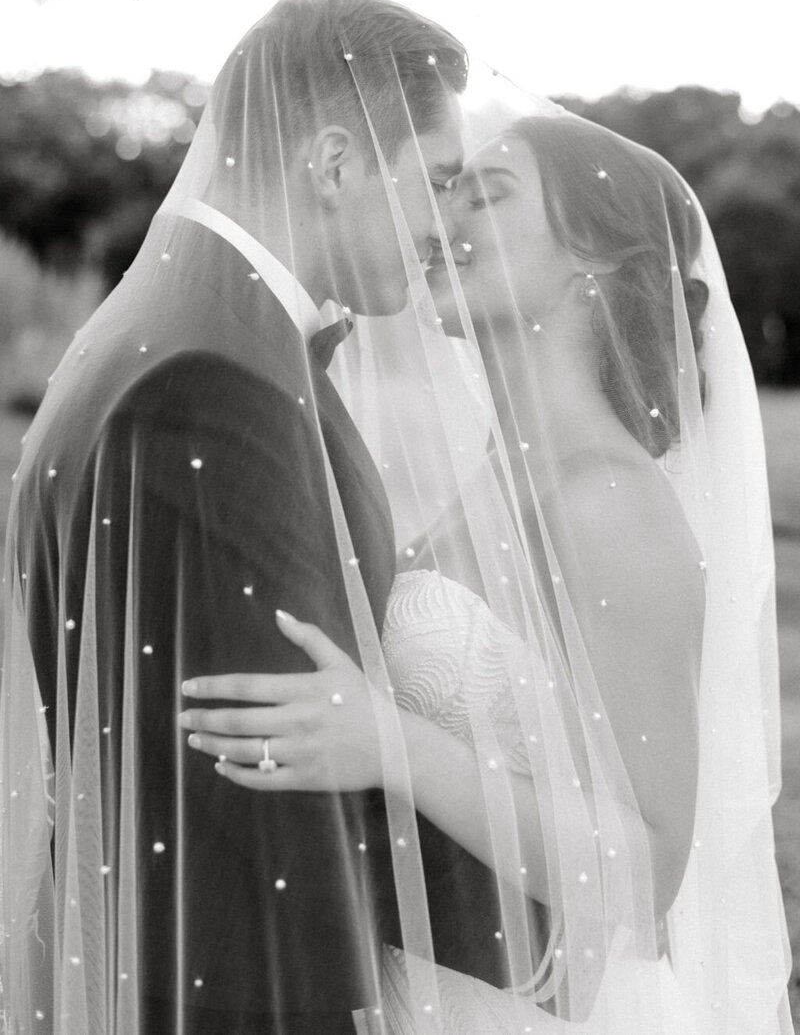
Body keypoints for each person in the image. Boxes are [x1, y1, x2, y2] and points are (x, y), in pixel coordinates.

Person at [179, 113, 793, 1032]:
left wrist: (391, 745)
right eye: (448, 185)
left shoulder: (610, 504)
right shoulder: (496, 479)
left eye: (488, 192)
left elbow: (647, 871)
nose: (443, 211)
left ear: (595, 259)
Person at [0, 0, 518, 1034]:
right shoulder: (208, 374)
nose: (442, 225)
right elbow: (255, 794)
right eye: (436, 179)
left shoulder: (193, 324)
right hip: (228, 988)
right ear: (333, 163)